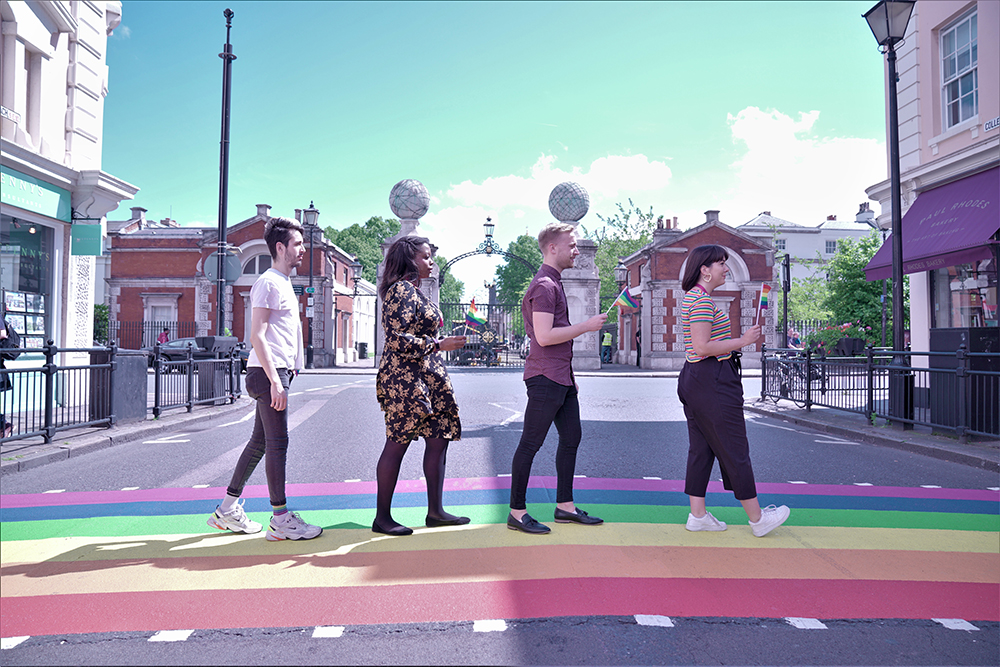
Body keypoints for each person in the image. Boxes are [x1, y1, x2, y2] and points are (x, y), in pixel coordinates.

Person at [206, 216, 322, 541]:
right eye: (298, 244)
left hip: (276, 372)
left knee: (260, 442)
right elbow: (257, 335)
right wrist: (275, 381)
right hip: (266, 374)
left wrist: (289, 370)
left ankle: (227, 509)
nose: (303, 249)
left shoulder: (284, 282)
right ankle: (280, 519)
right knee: (278, 443)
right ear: (281, 247)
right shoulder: (268, 282)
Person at [678, 244, 790, 537]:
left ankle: (698, 515)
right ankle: (757, 519)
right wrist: (742, 341)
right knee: (734, 447)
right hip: (713, 378)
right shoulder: (702, 302)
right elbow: (702, 348)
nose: (725, 268)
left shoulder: (692, 297)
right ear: (705, 269)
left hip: (696, 379)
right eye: (720, 264)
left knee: (701, 449)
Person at [507, 222, 608, 534]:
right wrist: (586, 326)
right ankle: (517, 512)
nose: (576, 250)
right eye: (572, 245)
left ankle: (564, 507)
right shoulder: (545, 286)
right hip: (544, 377)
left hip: (561, 377)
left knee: (572, 437)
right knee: (530, 444)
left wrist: (569, 376)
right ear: (553, 248)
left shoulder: (554, 282)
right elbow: (545, 336)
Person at [373, 236, 468, 536]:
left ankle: (436, 511)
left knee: (439, 439)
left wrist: (440, 343)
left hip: (428, 377)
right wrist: (439, 344)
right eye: (426, 257)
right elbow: (397, 339)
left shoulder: (416, 292)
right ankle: (382, 518)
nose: (431, 262)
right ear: (410, 259)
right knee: (397, 443)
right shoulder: (400, 290)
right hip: (406, 380)